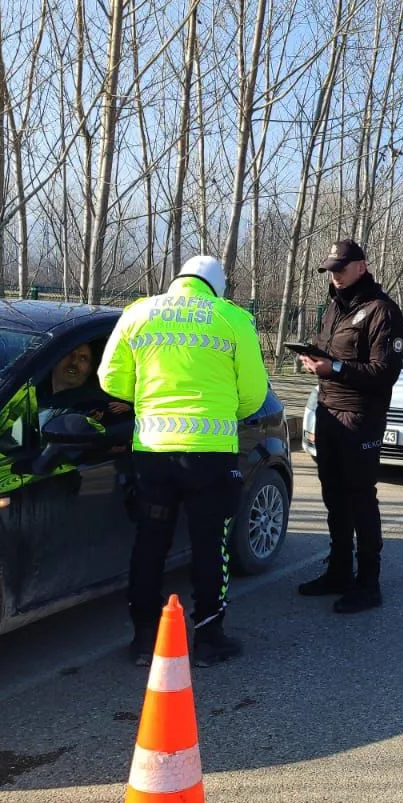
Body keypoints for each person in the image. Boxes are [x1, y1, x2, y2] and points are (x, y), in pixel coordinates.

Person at [99, 255, 268, 667]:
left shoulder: (138, 313)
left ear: (178, 279)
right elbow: (254, 394)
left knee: (149, 542)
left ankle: (143, 639)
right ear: (217, 286)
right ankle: (209, 637)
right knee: (211, 544)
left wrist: (145, 400)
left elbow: (111, 380)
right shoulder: (232, 318)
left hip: (154, 454)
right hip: (210, 458)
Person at [296, 238, 403, 613]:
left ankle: (368, 583)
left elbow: (383, 374)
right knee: (334, 497)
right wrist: (313, 359)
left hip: (360, 417)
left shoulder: (383, 312)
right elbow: (326, 347)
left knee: (360, 498)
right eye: (331, 271)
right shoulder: (335, 307)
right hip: (328, 411)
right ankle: (339, 571)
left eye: (341, 269)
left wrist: (336, 369)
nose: (335, 277)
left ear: (361, 267)